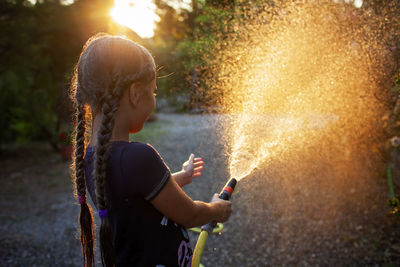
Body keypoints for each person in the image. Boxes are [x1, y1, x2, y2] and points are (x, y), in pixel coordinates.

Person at [69, 33, 232, 267]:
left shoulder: (92, 159)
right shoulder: (138, 157)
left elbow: (134, 198)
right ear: (135, 94)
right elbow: (190, 215)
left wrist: (180, 178)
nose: (154, 98)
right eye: (153, 91)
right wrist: (216, 208)